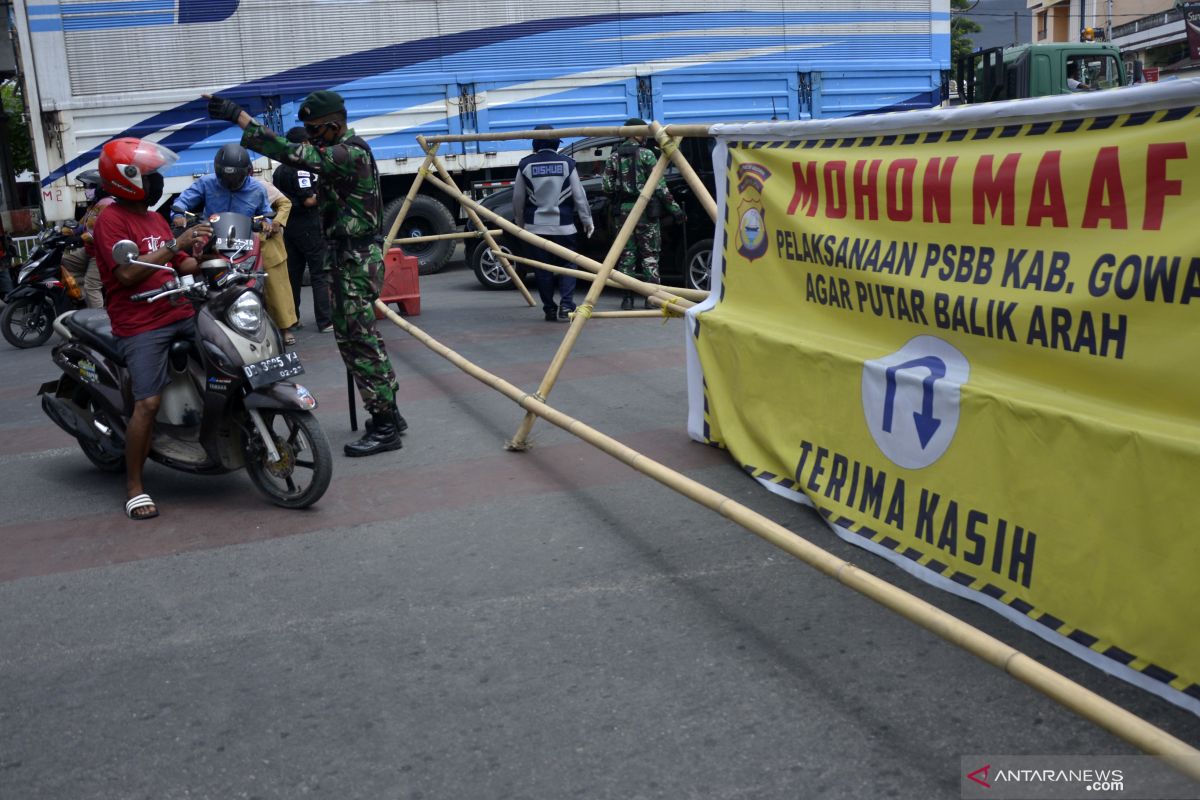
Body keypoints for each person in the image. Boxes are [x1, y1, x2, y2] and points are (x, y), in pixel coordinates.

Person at [205, 90, 404, 457]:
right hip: (350, 256)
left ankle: (386, 424)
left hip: (354, 258)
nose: (311, 137)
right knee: (362, 339)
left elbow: (293, 153)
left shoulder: (347, 152)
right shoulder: (344, 150)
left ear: (334, 126)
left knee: (358, 343)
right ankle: (389, 412)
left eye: (315, 130)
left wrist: (241, 119)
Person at [91, 138, 212, 520]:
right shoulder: (111, 220)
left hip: (178, 311)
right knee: (148, 403)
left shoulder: (154, 217)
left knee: (229, 362)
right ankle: (135, 487)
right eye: (148, 175)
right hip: (140, 322)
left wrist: (204, 251)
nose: (156, 181)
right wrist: (174, 245)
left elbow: (182, 265)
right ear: (125, 180)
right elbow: (126, 274)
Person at [511, 124, 593, 322]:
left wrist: (520, 225)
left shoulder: (525, 165)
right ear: (556, 142)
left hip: (535, 229)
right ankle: (566, 306)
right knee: (569, 264)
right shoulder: (568, 163)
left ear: (535, 142)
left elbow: (517, 200)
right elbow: (580, 197)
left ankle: (549, 309)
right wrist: (587, 220)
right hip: (564, 228)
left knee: (542, 269)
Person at [601, 118, 685, 310]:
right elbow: (660, 187)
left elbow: (606, 187)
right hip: (646, 213)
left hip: (622, 213)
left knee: (626, 255)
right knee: (650, 255)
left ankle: (627, 299)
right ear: (637, 133)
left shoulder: (614, 157)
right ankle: (652, 299)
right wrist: (676, 211)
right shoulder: (647, 155)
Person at [273, 127, 333, 333]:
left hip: (288, 226)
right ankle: (325, 321)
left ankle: (293, 319)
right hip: (309, 226)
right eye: (308, 143)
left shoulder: (279, 170)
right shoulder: (301, 169)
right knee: (319, 273)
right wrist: (328, 194)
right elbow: (308, 200)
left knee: (293, 275)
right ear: (303, 145)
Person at [170, 143, 275, 235]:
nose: (230, 181)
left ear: (247, 172)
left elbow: (266, 212)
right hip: (210, 236)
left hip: (244, 239)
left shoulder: (257, 189)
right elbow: (183, 201)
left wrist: (266, 222)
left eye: (235, 178)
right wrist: (178, 215)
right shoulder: (206, 183)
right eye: (225, 177)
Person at [256, 179, 299, 342]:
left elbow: (284, 203)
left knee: (277, 290)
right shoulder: (220, 189)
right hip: (239, 245)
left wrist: (276, 222)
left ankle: (285, 328)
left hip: (267, 243)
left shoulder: (259, 185)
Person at [74, 169, 115, 308]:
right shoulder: (94, 205)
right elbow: (82, 225)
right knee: (66, 260)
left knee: (91, 286)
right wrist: (69, 230)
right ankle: (79, 298)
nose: (86, 190)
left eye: (90, 187)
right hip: (90, 250)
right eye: (86, 187)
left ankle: (97, 321)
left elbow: (98, 231)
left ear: (100, 187)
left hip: (100, 253)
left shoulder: (106, 204)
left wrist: (83, 237)